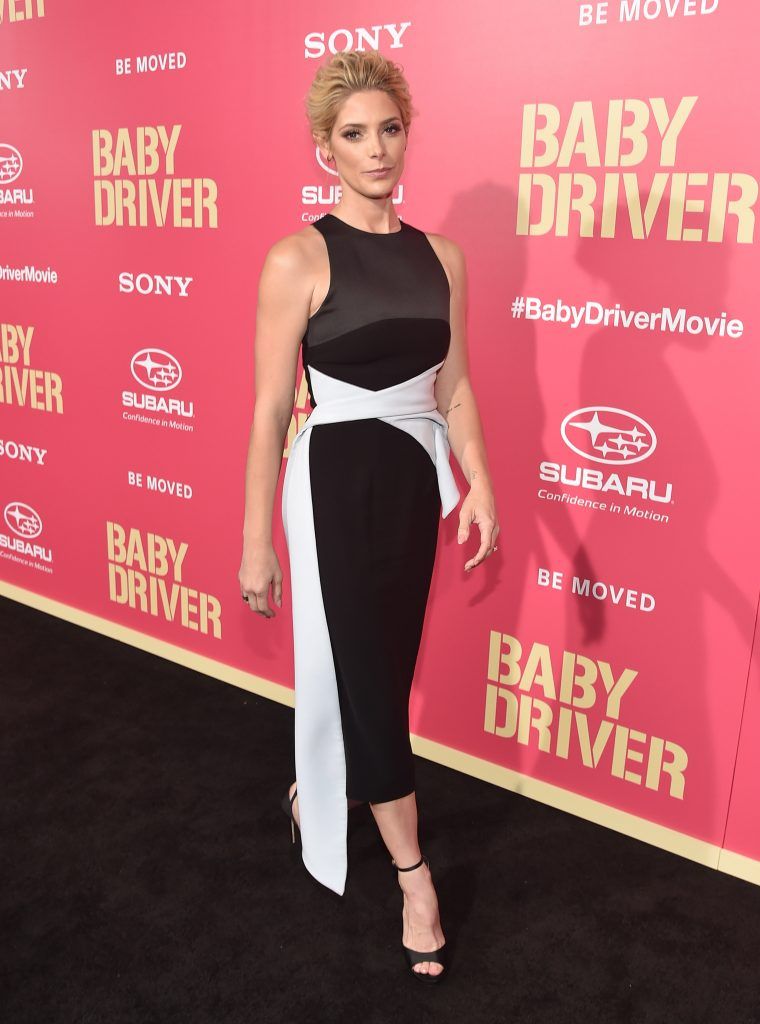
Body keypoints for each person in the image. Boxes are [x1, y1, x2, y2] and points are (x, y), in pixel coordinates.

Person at [238, 48, 499, 982]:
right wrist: (254, 540)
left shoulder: (444, 257)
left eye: (389, 128)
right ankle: (413, 876)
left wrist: (480, 482)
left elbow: (455, 385)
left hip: (412, 480)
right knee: (374, 685)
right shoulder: (297, 257)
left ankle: (320, 786)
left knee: (384, 665)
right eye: (354, 134)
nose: (377, 148)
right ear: (324, 149)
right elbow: (272, 410)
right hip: (333, 483)